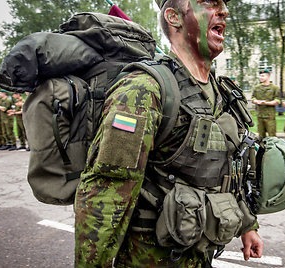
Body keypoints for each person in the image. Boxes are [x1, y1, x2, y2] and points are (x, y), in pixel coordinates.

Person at [74, 0, 264, 267]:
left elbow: (226, 172)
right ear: (173, 17)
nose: (223, 10)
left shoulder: (222, 93)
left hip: (201, 253)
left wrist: (247, 225)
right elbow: (106, 194)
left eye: (223, 4)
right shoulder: (143, 89)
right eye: (208, 2)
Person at [252, 69, 280, 139]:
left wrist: (267, 103)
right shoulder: (257, 88)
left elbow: (277, 100)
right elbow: (253, 98)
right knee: (261, 136)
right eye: (260, 76)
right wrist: (257, 101)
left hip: (270, 117)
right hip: (260, 116)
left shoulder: (274, 88)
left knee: (272, 136)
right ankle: (262, 150)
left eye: (263, 76)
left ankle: (272, 149)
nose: (261, 77)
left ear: (268, 76)